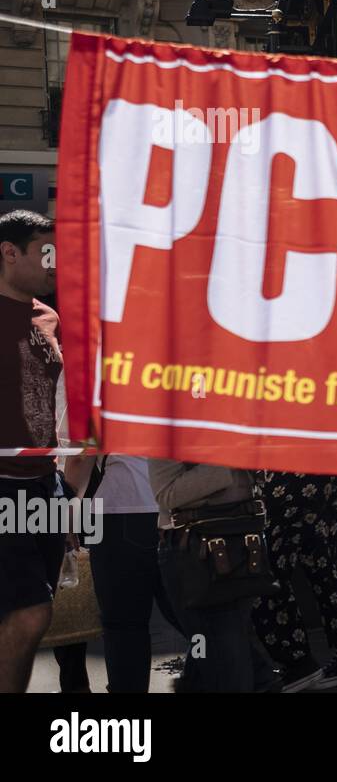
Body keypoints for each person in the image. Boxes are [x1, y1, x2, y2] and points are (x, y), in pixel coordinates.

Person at [0, 210, 64, 693]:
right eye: (44, 251)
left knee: (32, 614)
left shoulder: (48, 316)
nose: (54, 262)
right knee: (30, 615)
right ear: (9, 252)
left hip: (45, 484)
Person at [150, 460, 282, 693]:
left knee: (224, 657)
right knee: (223, 657)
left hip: (236, 541)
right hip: (196, 551)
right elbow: (167, 494)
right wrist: (229, 461)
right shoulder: (169, 423)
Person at [63, 454, 188, 692]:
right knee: (196, 619)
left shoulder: (90, 413)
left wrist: (67, 520)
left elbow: (81, 459)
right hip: (180, 509)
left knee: (124, 627)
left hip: (120, 514)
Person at [251, 470, 337, 691]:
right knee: (320, 561)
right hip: (323, 470)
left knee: (270, 573)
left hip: (288, 472)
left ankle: (297, 661)